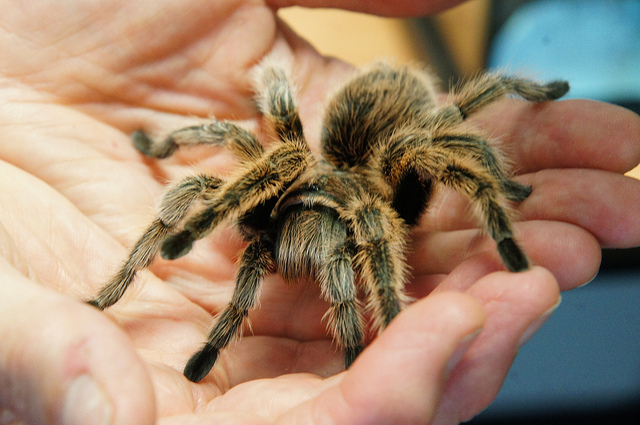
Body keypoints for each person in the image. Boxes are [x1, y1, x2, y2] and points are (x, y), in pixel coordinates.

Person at [0, 1, 638, 424]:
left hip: (380, 146)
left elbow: (440, 145)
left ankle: (398, 328)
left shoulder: (387, 182)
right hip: (326, 166)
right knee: (224, 168)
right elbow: (243, 122)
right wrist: (192, 207)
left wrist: (391, 321)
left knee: (434, 137)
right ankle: (113, 286)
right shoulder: (282, 181)